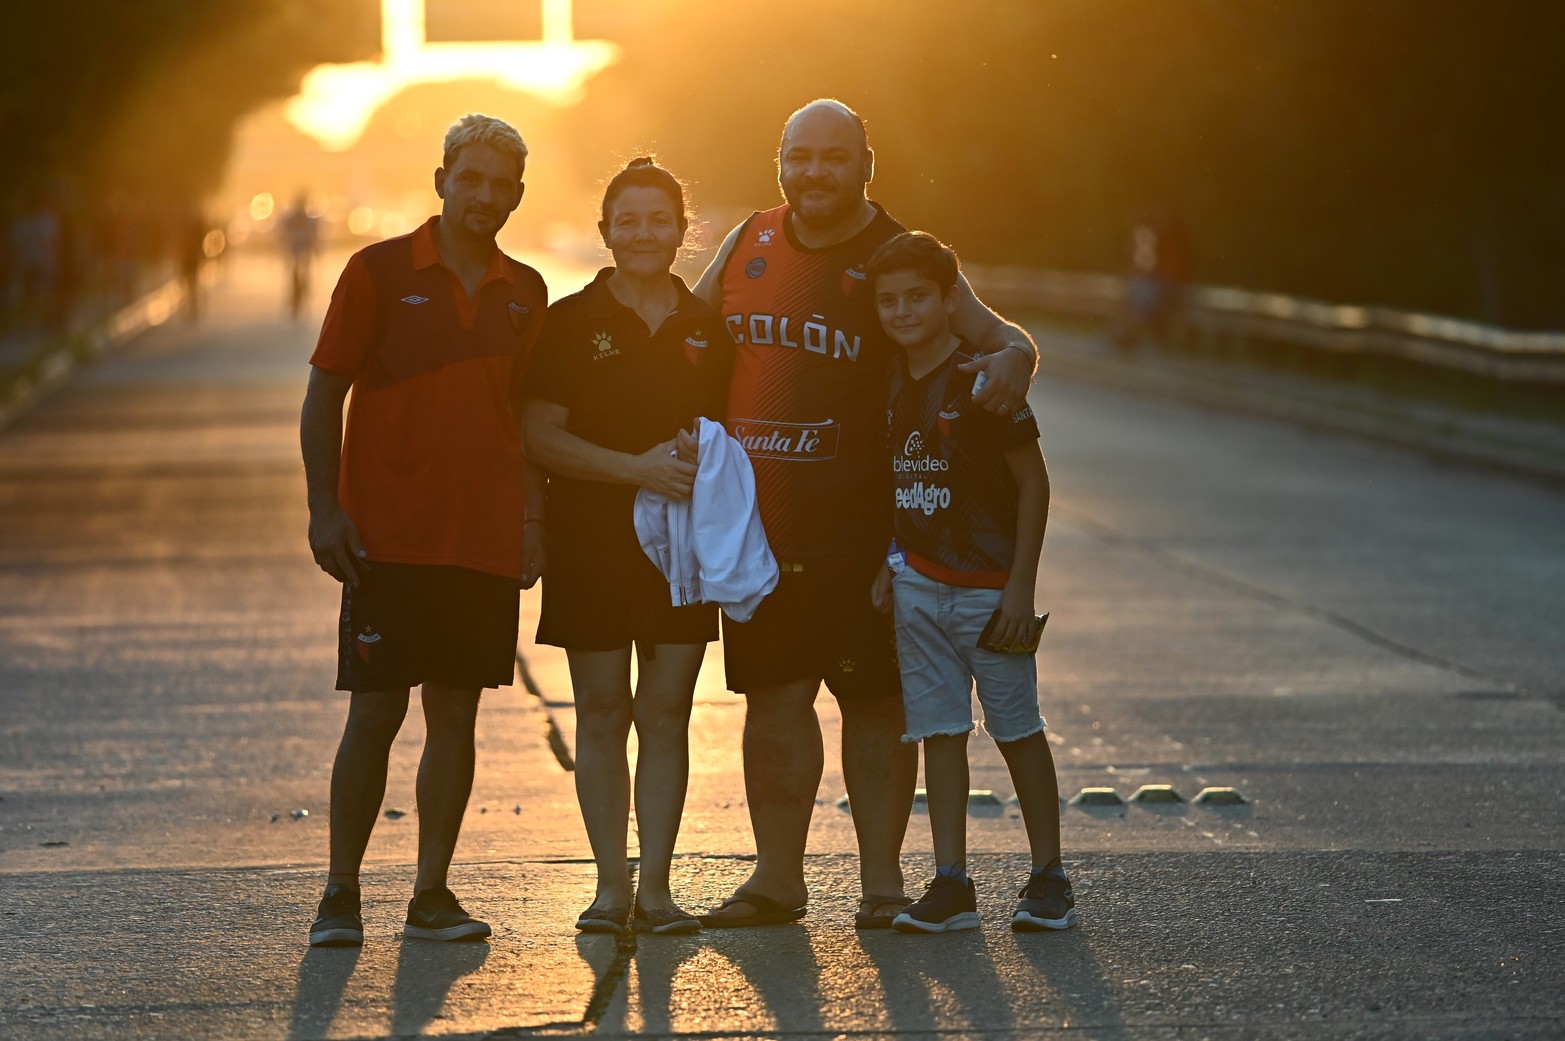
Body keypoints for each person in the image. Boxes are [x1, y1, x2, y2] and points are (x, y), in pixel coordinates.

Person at [688, 98, 1041, 929]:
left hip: (872, 533)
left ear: (865, 167)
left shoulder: (897, 255)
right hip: (760, 531)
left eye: (833, 157)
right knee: (772, 699)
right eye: (798, 155)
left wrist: (1018, 360)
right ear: (778, 160)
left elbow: (1000, 337)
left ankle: (881, 885)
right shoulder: (748, 241)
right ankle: (777, 880)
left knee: (875, 705)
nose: (814, 172)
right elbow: (680, 333)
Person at [299, 114, 547, 947]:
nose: (484, 195)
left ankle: (431, 893)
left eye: (501, 184)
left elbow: (529, 419)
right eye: (469, 178)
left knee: (456, 717)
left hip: (479, 540)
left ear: (517, 194)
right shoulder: (375, 272)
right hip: (385, 539)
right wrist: (324, 509)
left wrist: (531, 520)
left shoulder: (527, 292)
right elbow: (322, 395)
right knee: (374, 712)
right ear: (440, 178)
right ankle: (339, 892)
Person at [523, 158, 735, 936]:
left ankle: (658, 891)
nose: (644, 234)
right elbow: (539, 434)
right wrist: (635, 469)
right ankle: (611, 888)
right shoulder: (571, 320)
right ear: (604, 230)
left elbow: (730, 436)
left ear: (683, 232)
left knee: (667, 712)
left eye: (659, 220)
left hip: (681, 548)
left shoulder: (707, 328)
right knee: (604, 709)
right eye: (628, 220)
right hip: (590, 542)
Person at [866, 231, 1075, 933]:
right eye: (888, 300)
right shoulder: (889, 378)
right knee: (940, 731)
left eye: (917, 297)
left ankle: (1048, 875)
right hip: (917, 585)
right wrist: (887, 564)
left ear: (949, 299)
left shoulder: (985, 379)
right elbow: (896, 480)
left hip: (991, 590)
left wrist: (1020, 587)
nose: (901, 311)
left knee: (1017, 728)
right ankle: (950, 882)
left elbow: (1033, 484)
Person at [280, 193, 320, 319]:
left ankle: (301, 297)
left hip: (304, 252)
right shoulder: (291, 219)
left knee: (304, 275)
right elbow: (284, 234)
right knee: (295, 276)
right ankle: (296, 299)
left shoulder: (309, 219)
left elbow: (314, 237)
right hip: (295, 252)